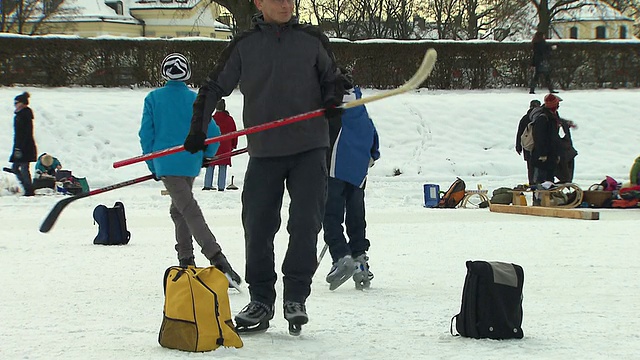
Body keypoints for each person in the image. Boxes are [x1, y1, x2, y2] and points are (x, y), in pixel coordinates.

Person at [183, 0, 340, 335]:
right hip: (265, 151)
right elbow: (212, 87)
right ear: (259, 2)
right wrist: (198, 129)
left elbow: (334, 80)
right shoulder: (245, 45)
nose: (285, 4)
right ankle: (261, 300)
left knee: (304, 225)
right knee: (257, 227)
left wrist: (332, 98)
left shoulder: (312, 40)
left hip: (309, 148)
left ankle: (296, 297)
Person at [139, 53, 241, 288]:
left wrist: (153, 165)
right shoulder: (195, 99)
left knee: (188, 208)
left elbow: (146, 135)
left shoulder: (153, 99)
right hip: (190, 162)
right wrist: (207, 156)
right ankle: (186, 260)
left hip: (167, 164)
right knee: (179, 210)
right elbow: (214, 134)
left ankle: (218, 260)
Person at [323, 71, 380, 291]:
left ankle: (341, 256)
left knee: (330, 217)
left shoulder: (330, 107)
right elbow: (372, 132)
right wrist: (372, 155)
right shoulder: (359, 104)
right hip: (358, 171)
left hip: (335, 169)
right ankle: (360, 260)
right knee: (356, 217)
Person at [203, 99, 237, 191]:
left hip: (213, 146)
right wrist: (234, 145)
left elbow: (206, 132)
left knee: (210, 165)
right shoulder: (229, 119)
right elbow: (234, 133)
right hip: (226, 146)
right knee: (223, 166)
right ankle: (221, 186)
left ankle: (207, 184)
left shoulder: (212, 119)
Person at [530, 94, 564, 188]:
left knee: (549, 181)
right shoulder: (543, 118)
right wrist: (542, 154)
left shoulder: (553, 116)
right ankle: (540, 200)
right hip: (543, 156)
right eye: (557, 104)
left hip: (551, 155)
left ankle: (548, 200)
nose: (558, 106)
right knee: (541, 181)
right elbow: (539, 137)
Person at [9, 92, 37, 197]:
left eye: (17, 102)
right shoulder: (21, 115)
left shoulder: (24, 115)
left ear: (23, 103)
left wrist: (19, 148)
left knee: (22, 168)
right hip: (21, 146)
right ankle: (28, 188)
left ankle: (29, 190)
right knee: (17, 168)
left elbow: (25, 134)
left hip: (25, 147)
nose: (15, 104)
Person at [515, 99, 541, 184]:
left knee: (530, 168)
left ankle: (532, 184)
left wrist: (518, 146)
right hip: (538, 147)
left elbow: (520, 133)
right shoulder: (540, 117)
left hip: (527, 146)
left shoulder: (525, 118)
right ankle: (537, 188)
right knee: (539, 169)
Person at [555, 118, 578, 183]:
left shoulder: (557, 122)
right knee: (566, 177)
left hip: (564, 153)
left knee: (565, 177)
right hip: (567, 152)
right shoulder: (559, 122)